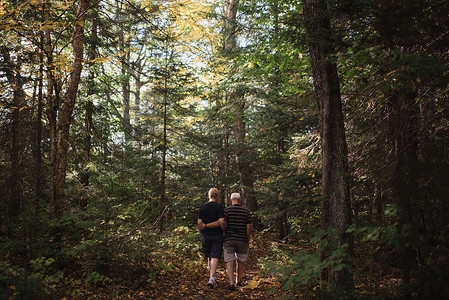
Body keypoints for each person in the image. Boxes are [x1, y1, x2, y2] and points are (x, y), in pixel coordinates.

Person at [197, 188, 225, 289]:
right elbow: (221, 222)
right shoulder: (219, 207)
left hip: (205, 235)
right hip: (217, 235)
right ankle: (212, 278)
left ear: (209, 195)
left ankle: (211, 277)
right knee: (215, 256)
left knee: (209, 256)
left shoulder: (202, 207)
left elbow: (199, 223)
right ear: (217, 196)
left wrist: (203, 229)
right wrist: (223, 231)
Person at [223, 192, 252, 290]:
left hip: (229, 239)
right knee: (241, 260)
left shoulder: (227, 211)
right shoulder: (246, 211)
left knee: (229, 260)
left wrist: (225, 233)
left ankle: (231, 283)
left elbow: (223, 224)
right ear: (240, 200)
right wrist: (247, 238)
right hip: (242, 239)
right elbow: (248, 227)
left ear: (231, 200)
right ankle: (238, 280)